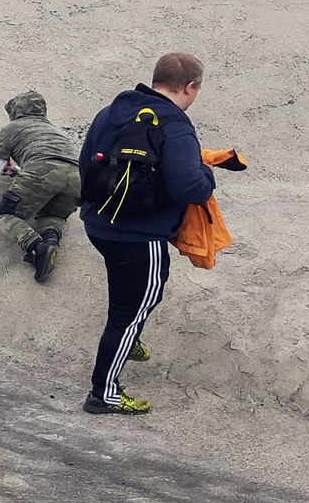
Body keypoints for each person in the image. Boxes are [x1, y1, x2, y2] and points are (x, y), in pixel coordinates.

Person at [76, 53, 214, 416]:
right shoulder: (175, 125)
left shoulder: (110, 112)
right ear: (190, 87)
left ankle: (129, 338)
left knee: (143, 291)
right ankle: (104, 393)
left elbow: (85, 162)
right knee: (129, 311)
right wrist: (207, 172)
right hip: (139, 235)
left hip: (98, 225)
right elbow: (190, 188)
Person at [0, 91, 81, 282]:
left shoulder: (13, 128)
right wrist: (17, 171)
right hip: (77, 177)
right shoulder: (55, 131)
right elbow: (56, 163)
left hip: (41, 170)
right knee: (54, 215)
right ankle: (50, 242)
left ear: (15, 111)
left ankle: (36, 247)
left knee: (5, 215)